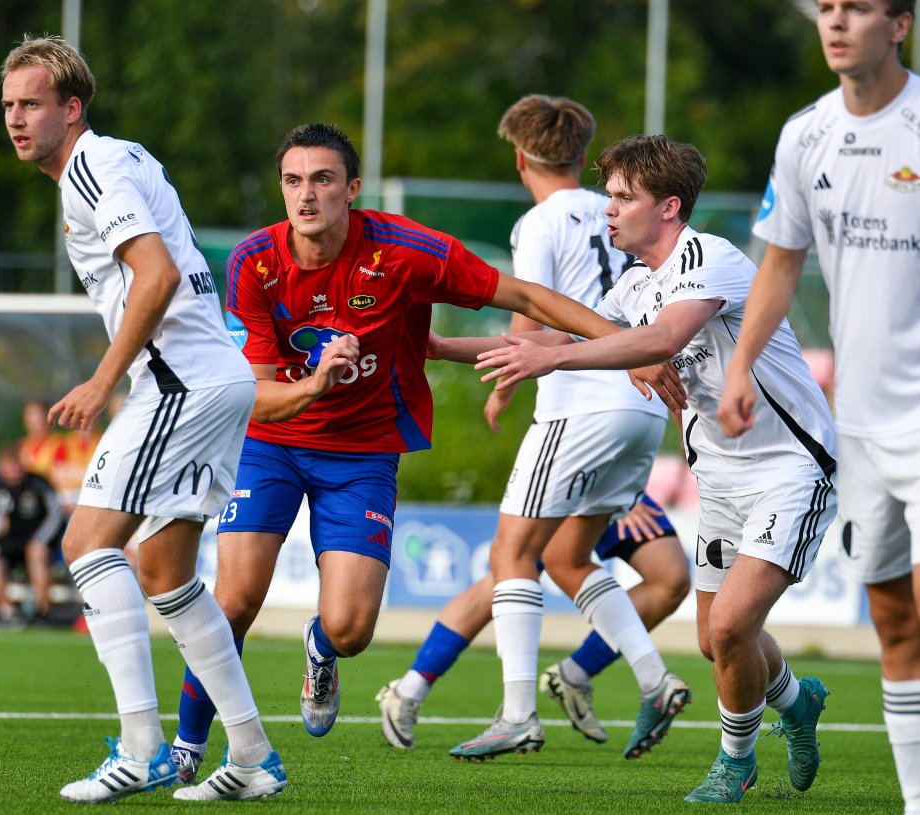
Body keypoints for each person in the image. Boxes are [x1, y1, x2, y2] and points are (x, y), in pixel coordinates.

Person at [171, 121, 687, 780]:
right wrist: (319, 381)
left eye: (324, 179)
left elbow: (525, 296)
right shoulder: (254, 261)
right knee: (236, 596)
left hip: (362, 451)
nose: (307, 195)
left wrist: (630, 348)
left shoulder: (404, 250)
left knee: (352, 627)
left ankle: (321, 649)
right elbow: (259, 396)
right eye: (293, 180)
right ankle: (186, 745)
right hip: (271, 445)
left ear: (352, 188)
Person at [477, 134, 837, 803]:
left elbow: (663, 338)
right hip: (723, 482)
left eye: (622, 196)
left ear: (669, 206)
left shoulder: (710, 257)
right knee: (715, 639)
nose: (607, 209)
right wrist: (434, 343)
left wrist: (551, 361)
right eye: (608, 194)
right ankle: (796, 701)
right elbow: (551, 336)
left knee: (731, 625)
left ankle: (735, 762)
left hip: (791, 468)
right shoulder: (637, 283)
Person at [0, 34, 286, 803]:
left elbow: (154, 272)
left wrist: (101, 381)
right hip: (211, 380)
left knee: (87, 544)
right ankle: (254, 753)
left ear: (72, 107)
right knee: (164, 572)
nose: (17, 119)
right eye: (9, 106)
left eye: (32, 103)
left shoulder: (94, 165)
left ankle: (143, 746)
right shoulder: (117, 160)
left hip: (181, 385)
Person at [376, 96, 690, 763]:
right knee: (568, 557)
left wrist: (497, 380)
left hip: (581, 402)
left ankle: (517, 712)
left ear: (521, 158)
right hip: (639, 404)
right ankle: (655, 678)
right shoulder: (617, 211)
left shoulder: (542, 220)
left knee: (510, 557)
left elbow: (532, 318)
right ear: (581, 156)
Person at [717, 2, 920, 811]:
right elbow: (779, 262)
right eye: (827, 8)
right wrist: (739, 364)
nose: (837, 23)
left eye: (858, 8)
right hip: (862, 425)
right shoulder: (806, 133)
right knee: (894, 618)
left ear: (899, 24)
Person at [377, 493, 690, 749]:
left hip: (616, 471)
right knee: (513, 570)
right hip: (570, 461)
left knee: (670, 580)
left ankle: (573, 676)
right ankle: (409, 691)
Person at [0, 445, 61, 623]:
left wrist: (40, 540)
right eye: (8, 467)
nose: (13, 471)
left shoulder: (38, 483)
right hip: (12, 542)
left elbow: (55, 514)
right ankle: (6, 611)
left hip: (38, 542)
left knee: (36, 554)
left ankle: (43, 612)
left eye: (16, 465)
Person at [17, 399, 63, 480]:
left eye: (39, 415)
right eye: (30, 415)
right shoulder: (22, 445)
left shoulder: (60, 443)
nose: (35, 419)